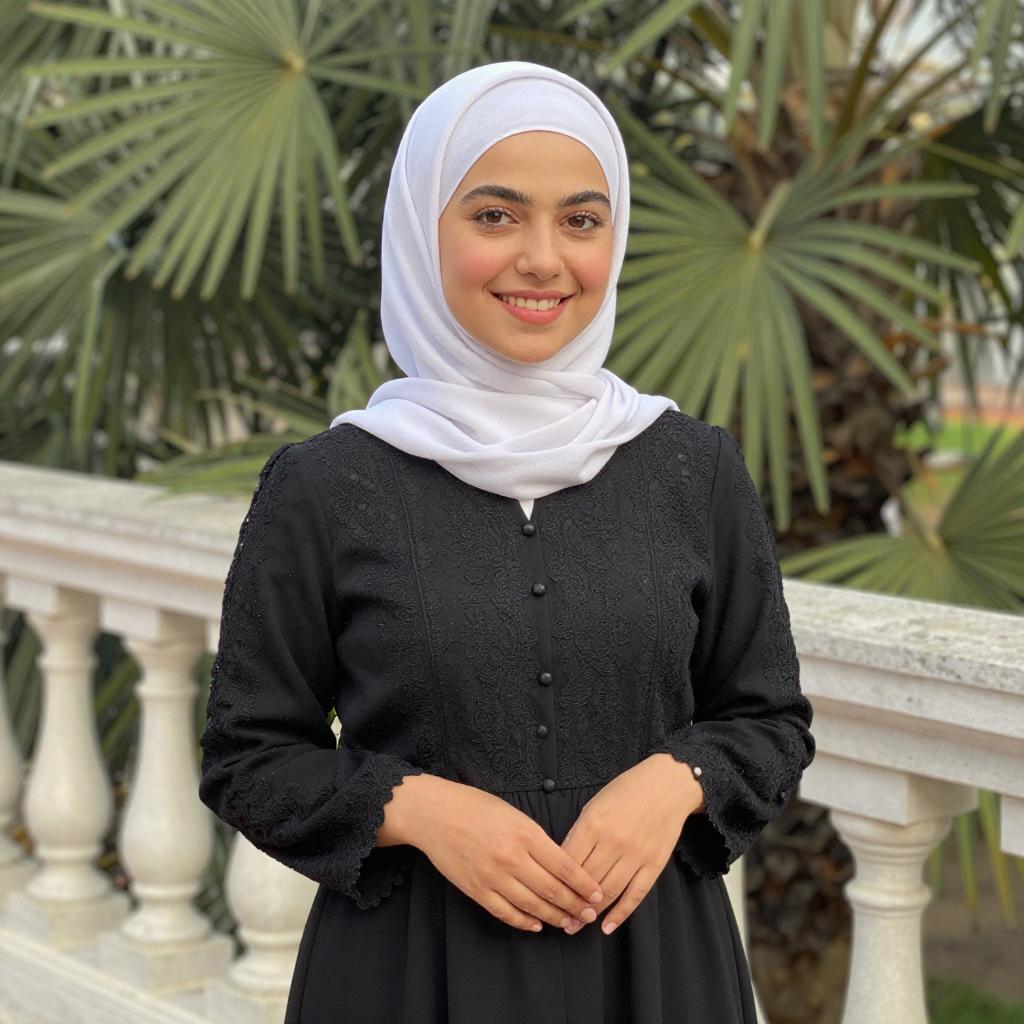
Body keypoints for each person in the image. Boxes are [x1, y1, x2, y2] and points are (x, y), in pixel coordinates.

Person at [198, 60, 816, 1024]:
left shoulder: (691, 469)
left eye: (581, 220)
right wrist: (421, 810)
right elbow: (248, 757)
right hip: (409, 975)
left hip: (654, 971)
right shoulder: (325, 486)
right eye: (494, 216)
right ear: (422, 230)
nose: (543, 259)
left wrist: (675, 781)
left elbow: (770, 720)